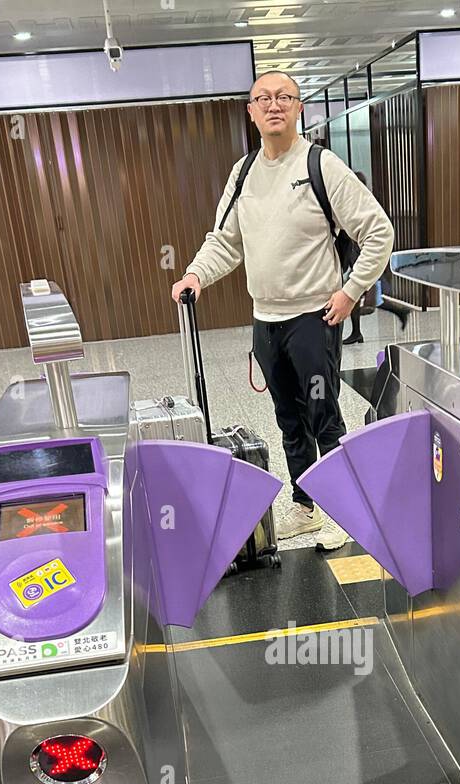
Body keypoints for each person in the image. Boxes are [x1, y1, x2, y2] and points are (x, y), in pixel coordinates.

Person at [171, 71, 394, 545]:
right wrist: (195, 274)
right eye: (263, 99)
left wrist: (351, 291)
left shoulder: (321, 164)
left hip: (315, 320)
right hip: (265, 322)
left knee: (323, 414)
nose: (274, 105)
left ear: (298, 109)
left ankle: (341, 511)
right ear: (251, 112)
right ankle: (305, 505)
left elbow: (379, 232)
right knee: (289, 420)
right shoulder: (243, 172)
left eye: (284, 97)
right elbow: (225, 242)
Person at [342, 172, 411, 346]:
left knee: (363, 296)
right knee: (358, 295)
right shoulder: (359, 203)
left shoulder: (366, 204)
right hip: (359, 255)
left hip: (366, 256)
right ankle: (358, 331)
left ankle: (398, 312)